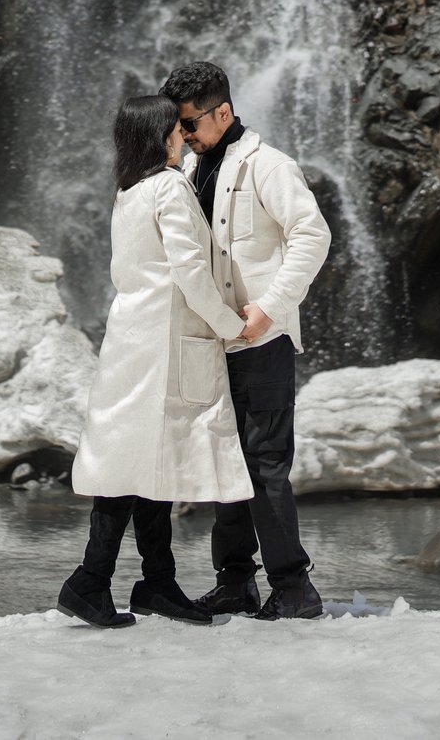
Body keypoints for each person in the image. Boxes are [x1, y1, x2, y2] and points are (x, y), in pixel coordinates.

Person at [60, 94, 252, 629]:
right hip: (166, 342)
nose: (185, 136)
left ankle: (156, 584)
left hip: (131, 339)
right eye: (177, 129)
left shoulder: (131, 190)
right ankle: (90, 581)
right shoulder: (168, 186)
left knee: (145, 463)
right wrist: (232, 326)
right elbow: (191, 271)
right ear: (160, 136)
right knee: (139, 465)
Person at [161, 60, 331, 620]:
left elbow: (313, 234)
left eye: (189, 123)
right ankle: (236, 582)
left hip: (262, 341)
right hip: (212, 342)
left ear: (223, 112)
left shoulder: (270, 165)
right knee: (223, 462)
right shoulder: (190, 170)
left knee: (264, 465)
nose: (183, 134)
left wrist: (269, 308)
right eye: (180, 126)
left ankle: (294, 589)